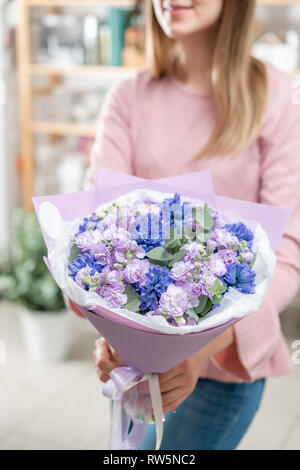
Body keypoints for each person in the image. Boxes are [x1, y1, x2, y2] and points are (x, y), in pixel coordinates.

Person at [73, 0, 300, 450]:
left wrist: (196, 351)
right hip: (135, 362)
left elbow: (286, 253)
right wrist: (115, 336)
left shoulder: (278, 98)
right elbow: (88, 238)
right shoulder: (128, 98)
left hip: (221, 372)